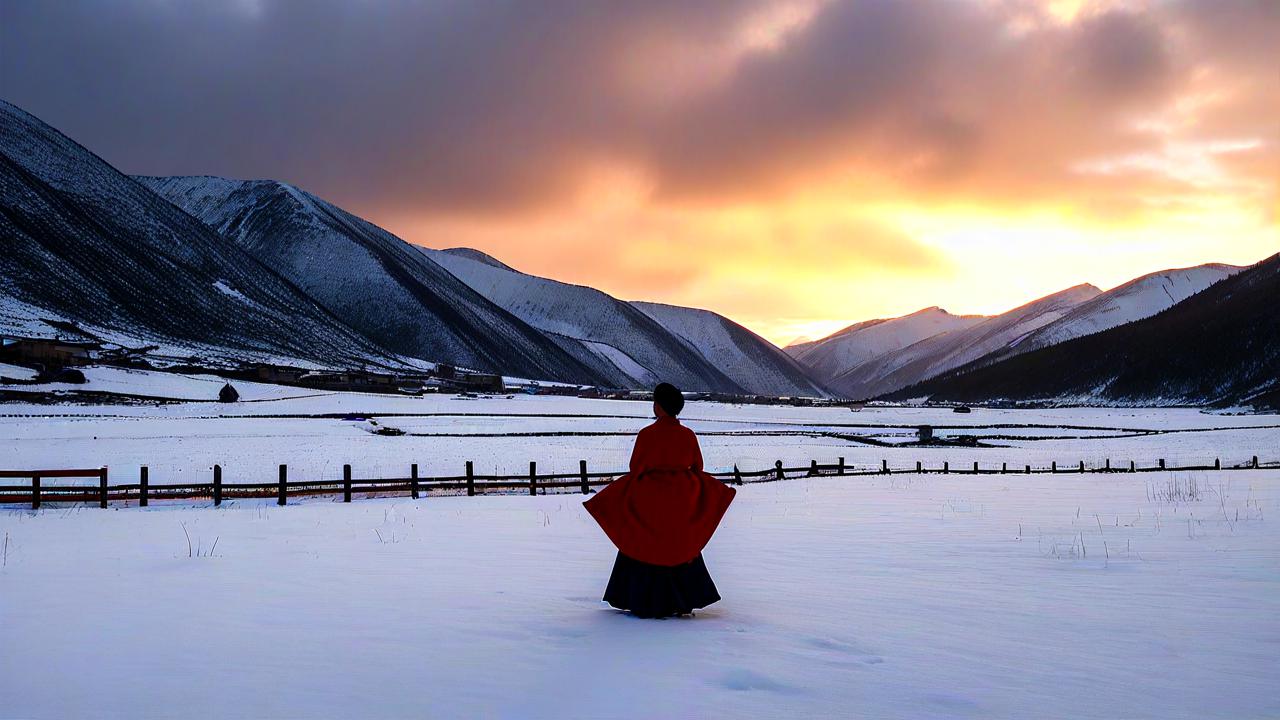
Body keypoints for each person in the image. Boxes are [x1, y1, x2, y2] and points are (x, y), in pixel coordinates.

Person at [584, 382, 736, 618]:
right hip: (682, 497)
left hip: (649, 498)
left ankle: (641, 598)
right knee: (680, 542)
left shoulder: (647, 434)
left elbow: (635, 467)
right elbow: (698, 466)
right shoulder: (687, 435)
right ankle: (681, 599)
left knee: (640, 541)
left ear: (660, 406)